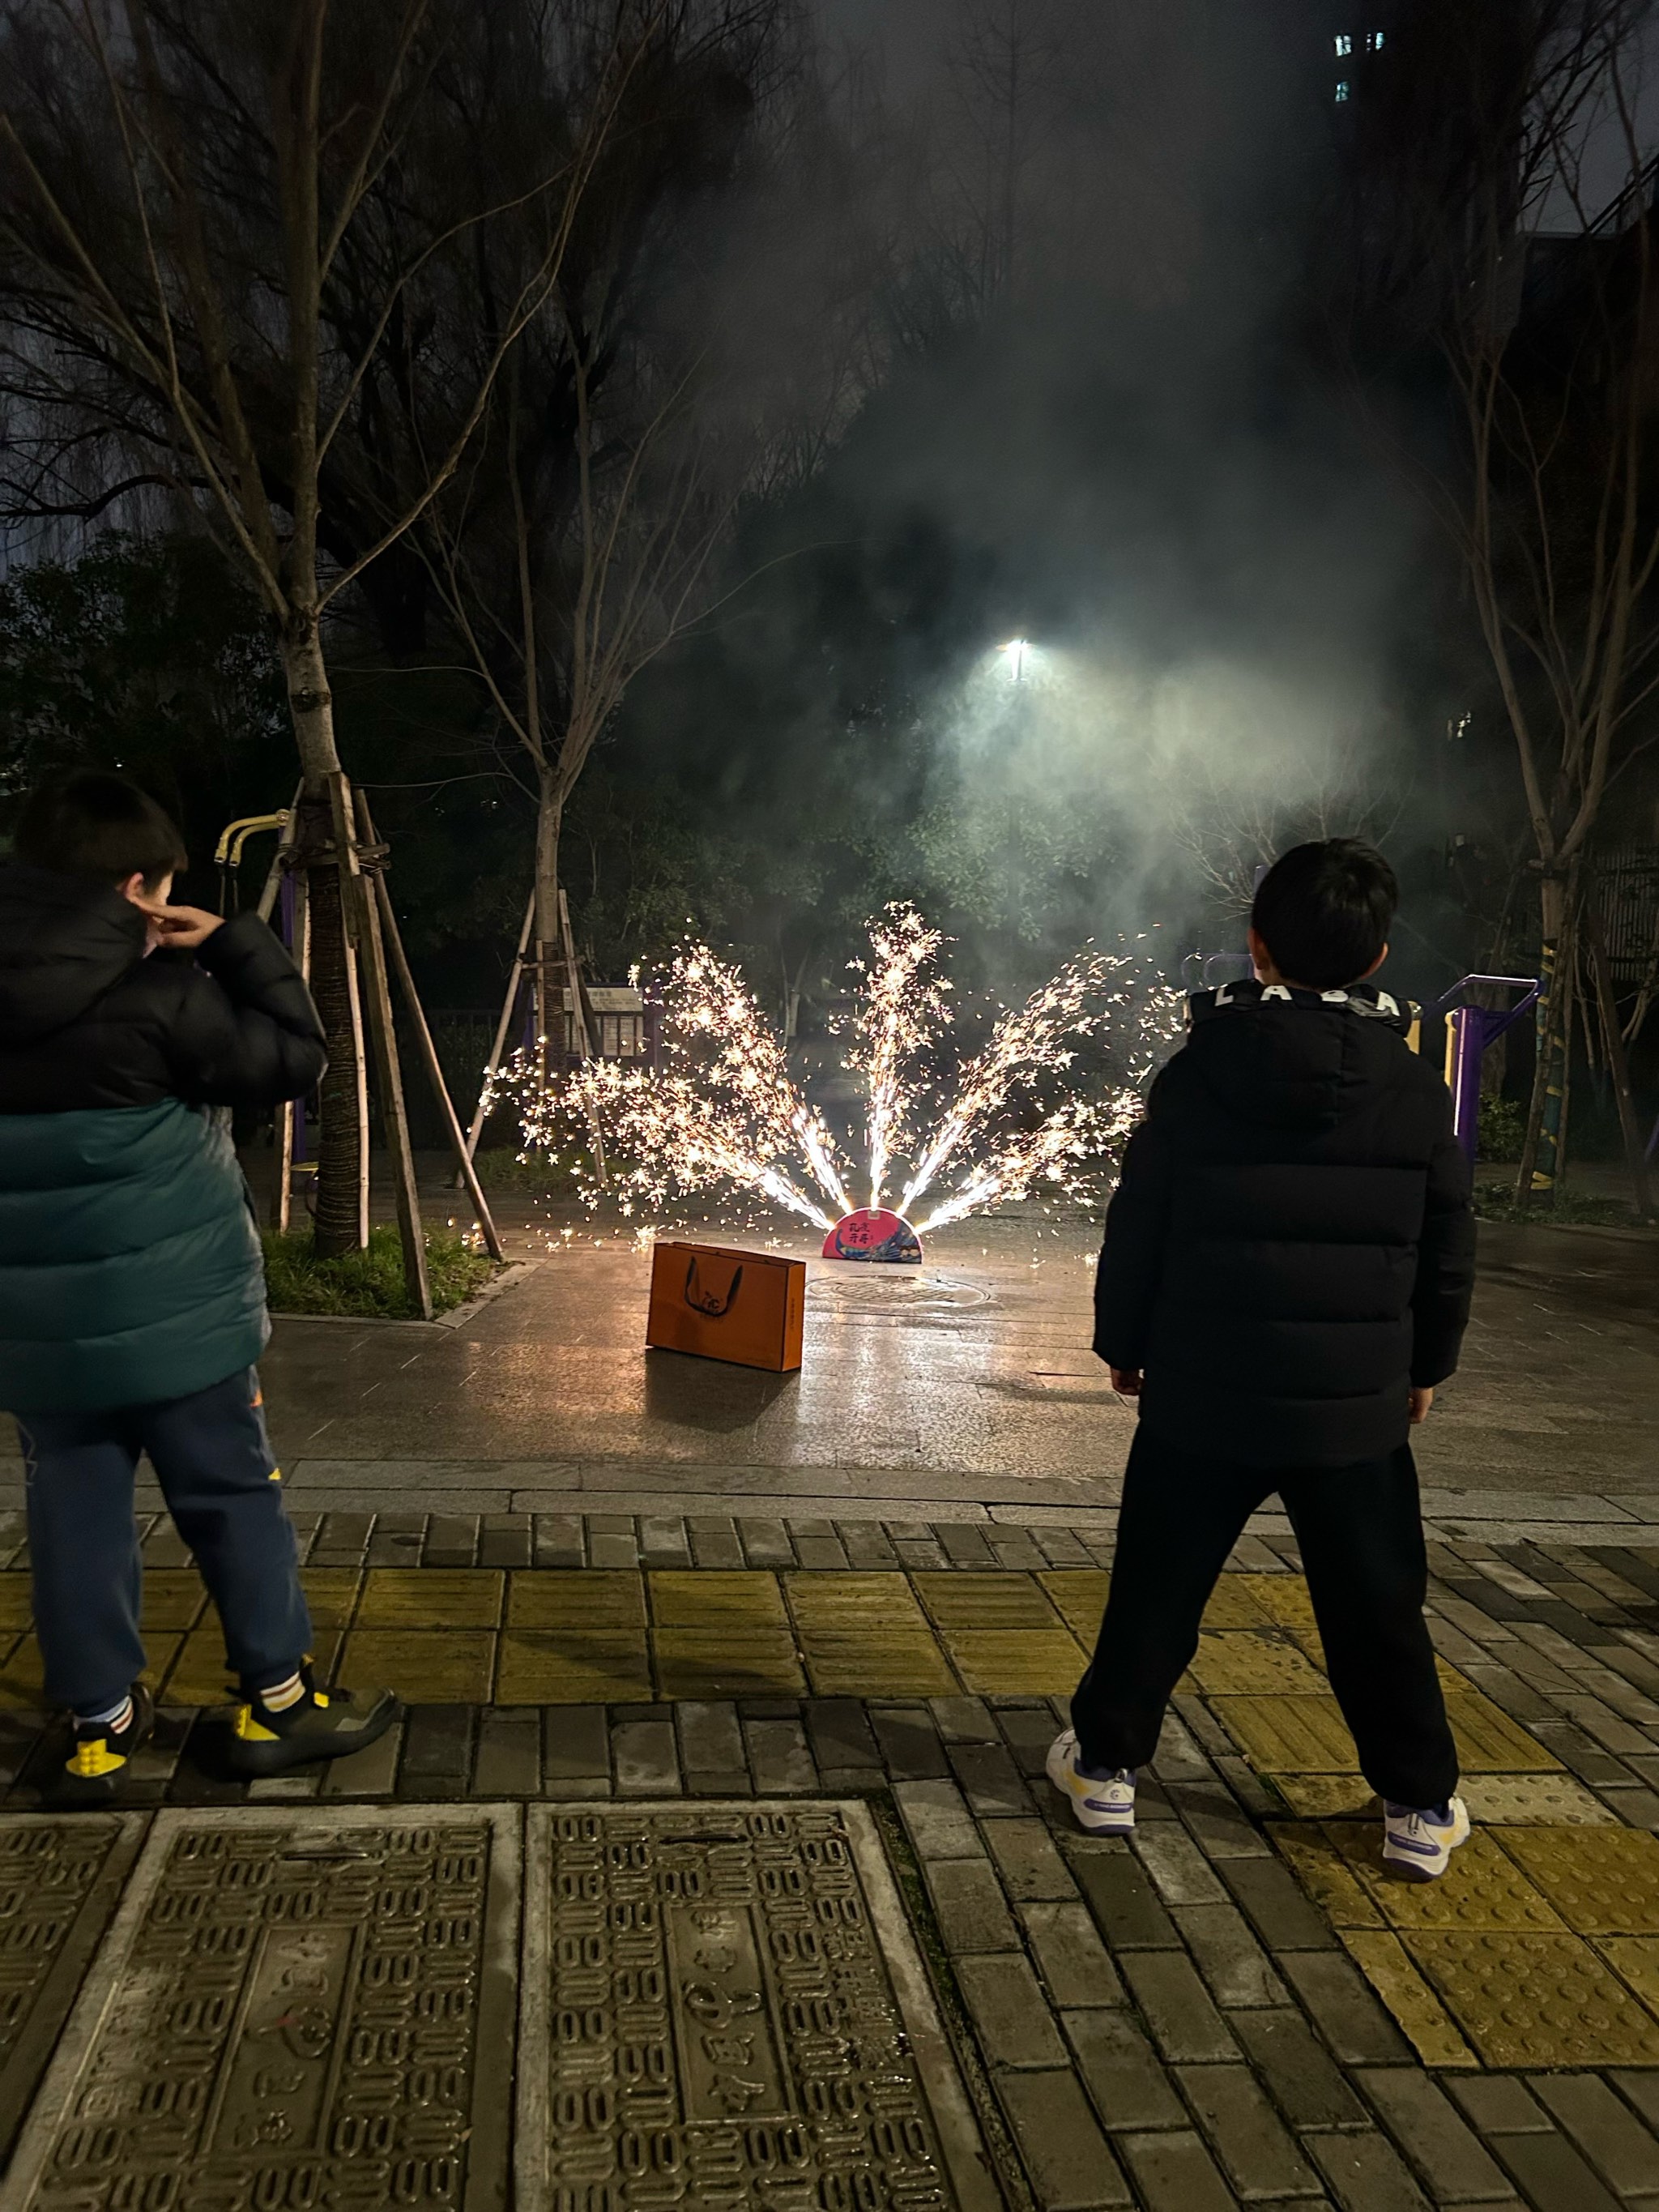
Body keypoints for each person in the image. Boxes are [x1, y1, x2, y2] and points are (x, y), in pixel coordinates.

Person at [1049, 839, 1477, 1881]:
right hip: (1352, 1411)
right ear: (1376, 957)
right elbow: (1446, 1244)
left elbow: (1140, 1215)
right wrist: (1425, 1364)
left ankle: (1105, 1770)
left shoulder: (1197, 1073)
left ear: (1257, 944)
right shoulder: (1415, 1091)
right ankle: (1417, 1805)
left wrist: (1124, 1340)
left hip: (1202, 1391)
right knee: (1375, 1604)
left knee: (1157, 1585)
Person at [0, 771, 394, 1803]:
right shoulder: (164, 999)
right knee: (229, 1499)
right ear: (138, 890)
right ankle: (275, 1703)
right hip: (183, 1327)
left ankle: (97, 1728)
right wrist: (230, 941)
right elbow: (298, 1061)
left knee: (70, 1514)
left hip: (36, 1335)